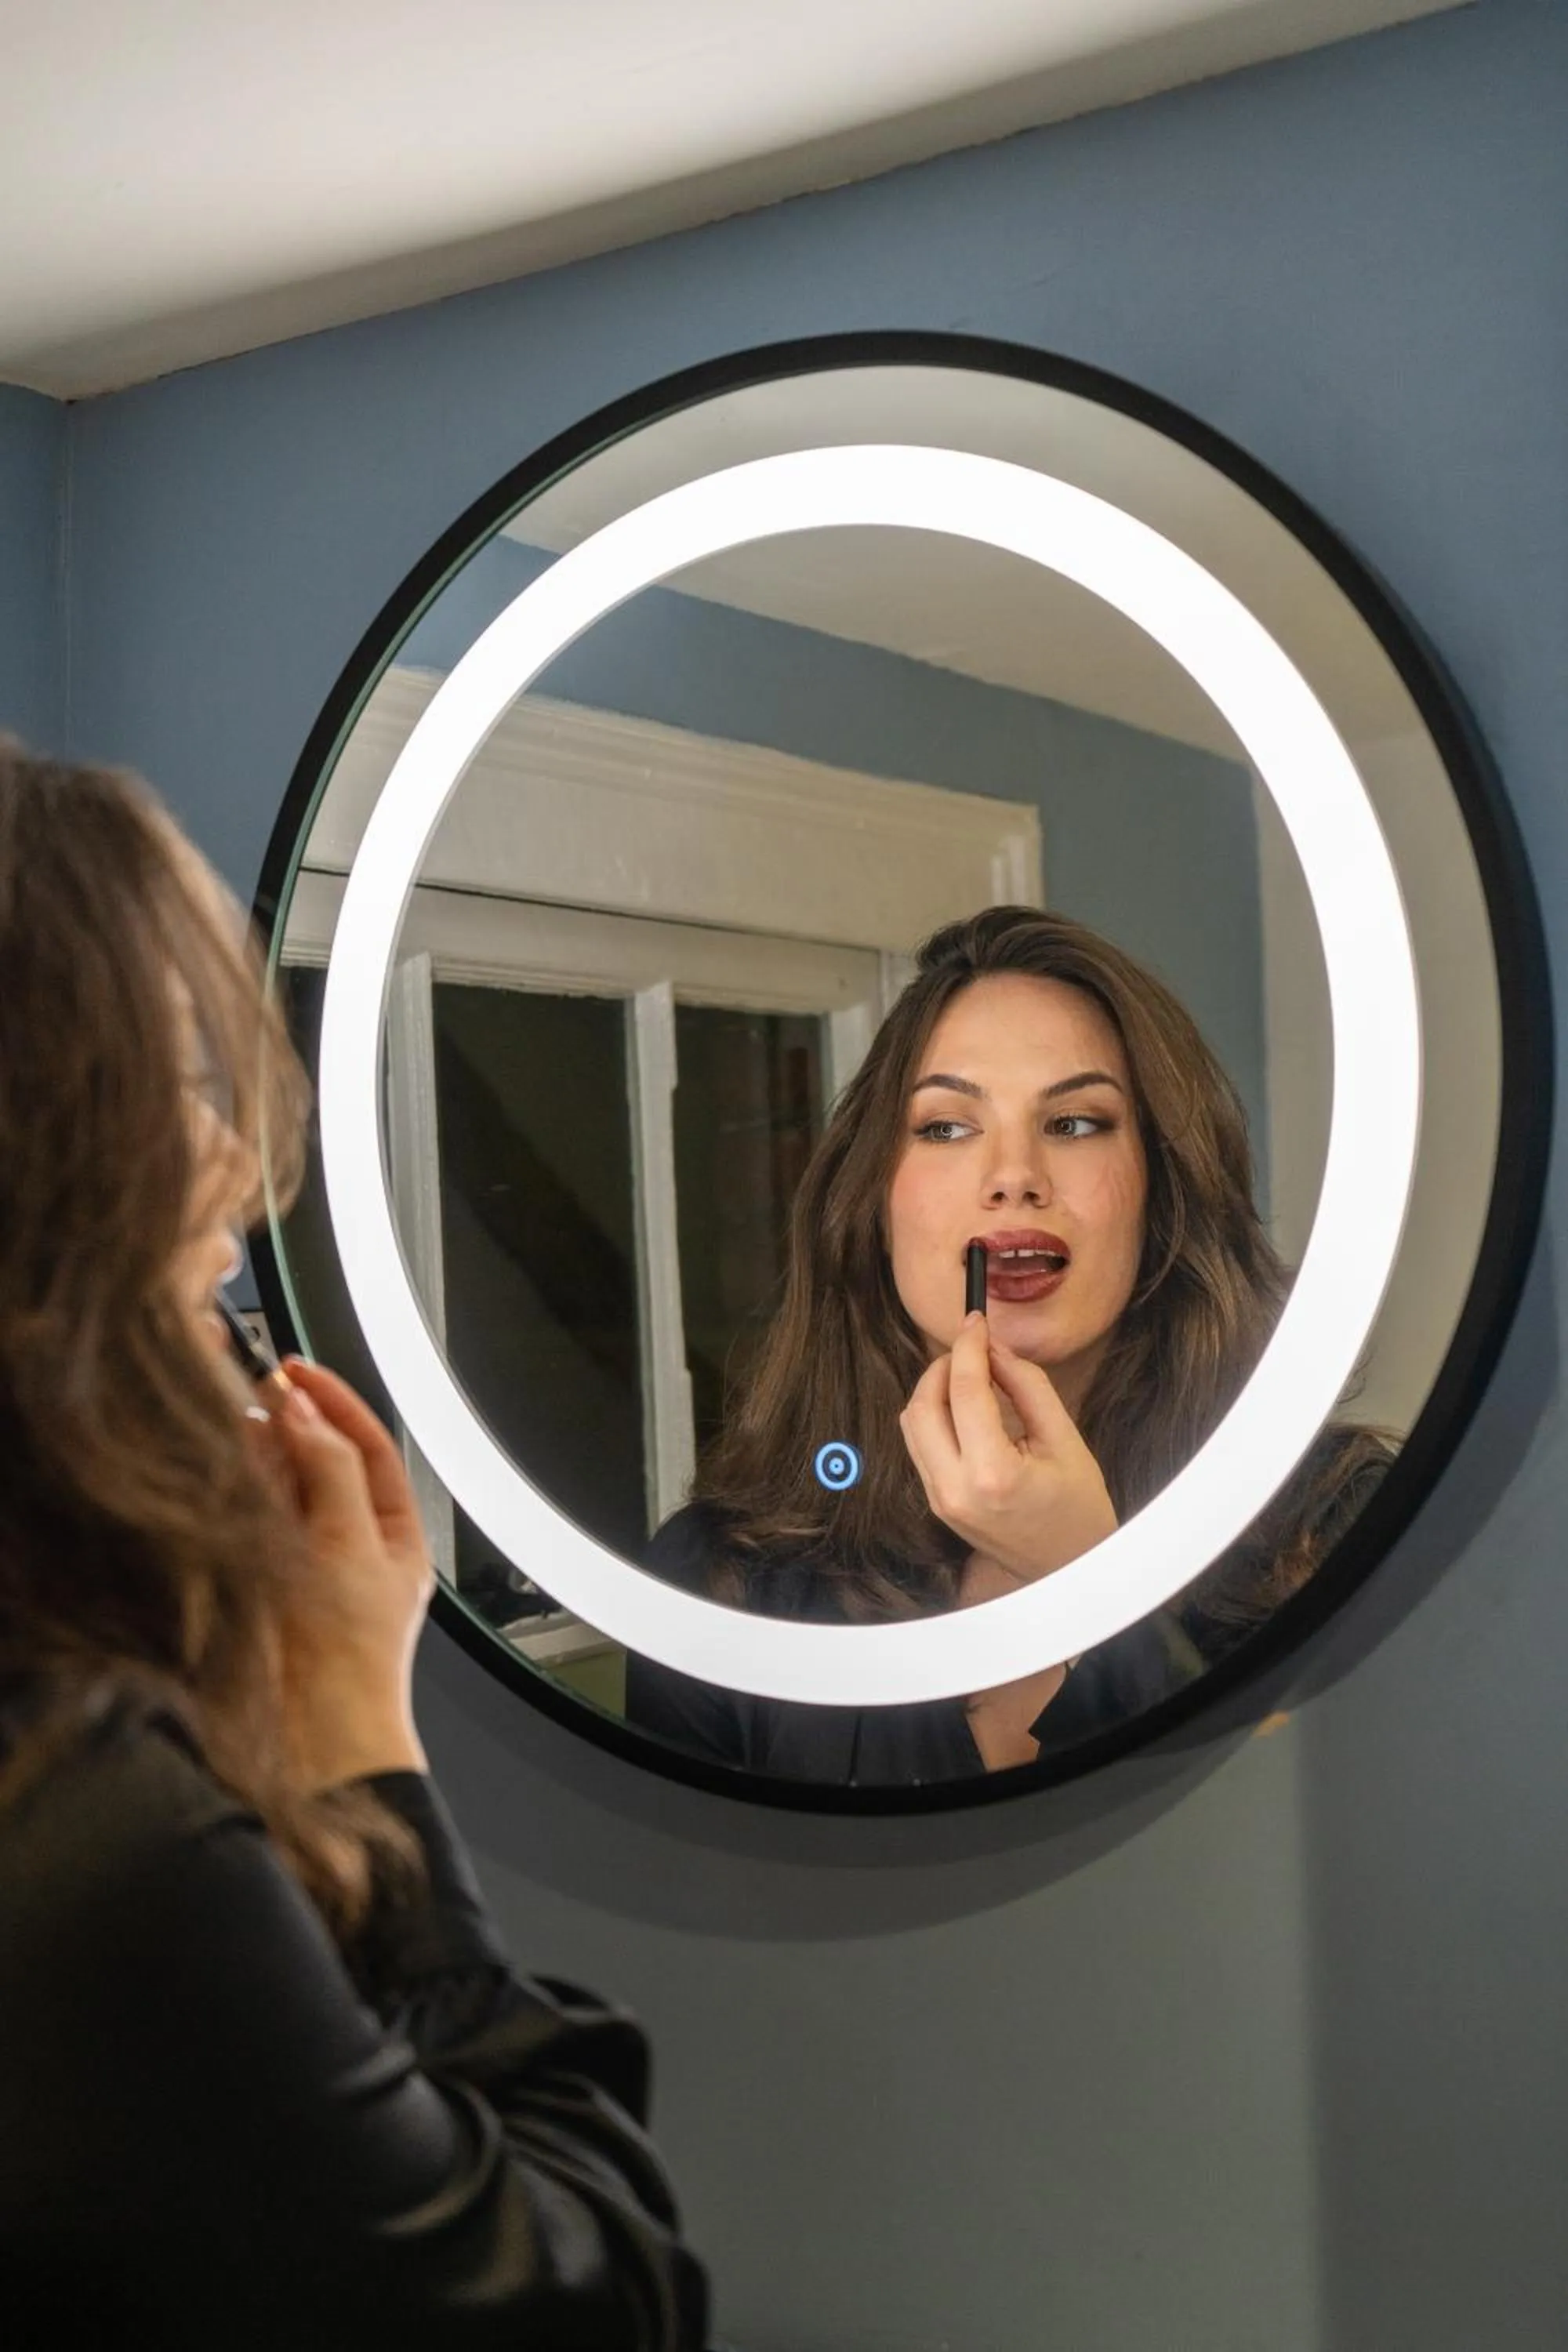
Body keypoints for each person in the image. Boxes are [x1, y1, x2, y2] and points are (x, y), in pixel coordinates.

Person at [0, 745, 708, 2348]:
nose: (238, 1164)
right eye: (178, 1080)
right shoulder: (94, 1840)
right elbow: (591, 2313)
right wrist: (356, 1741)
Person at [627, 905, 1391, 1785]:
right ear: (872, 1204)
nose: (1012, 1178)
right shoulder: (721, 1584)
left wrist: (1094, 1585)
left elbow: (1319, 1877)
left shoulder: (1333, 1525)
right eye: (946, 1127)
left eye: (1073, 1124)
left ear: (1162, 1193)